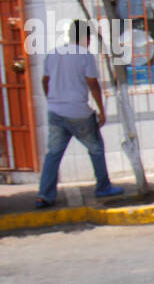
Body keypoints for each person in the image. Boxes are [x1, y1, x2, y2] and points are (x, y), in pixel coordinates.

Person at [35, 18, 124, 208]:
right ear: (85, 37)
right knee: (96, 148)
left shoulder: (53, 53)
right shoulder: (85, 55)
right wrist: (101, 110)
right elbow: (93, 84)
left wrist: (51, 99)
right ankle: (103, 187)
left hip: (56, 111)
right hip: (79, 112)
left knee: (53, 154)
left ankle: (45, 195)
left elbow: (45, 81)